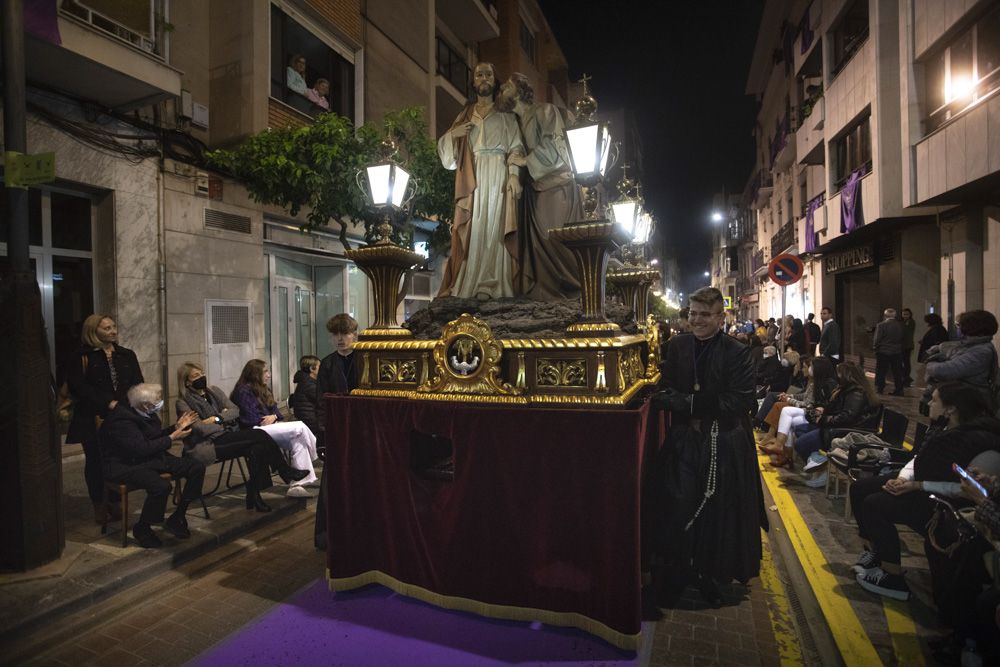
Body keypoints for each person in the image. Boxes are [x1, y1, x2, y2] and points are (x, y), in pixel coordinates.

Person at [651, 286, 766, 606]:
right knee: (678, 504)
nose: (697, 320)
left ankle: (711, 574)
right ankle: (677, 570)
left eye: (704, 315)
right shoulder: (677, 345)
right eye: (693, 314)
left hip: (723, 443)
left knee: (718, 514)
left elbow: (740, 400)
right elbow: (667, 385)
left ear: (720, 316)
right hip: (685, 442)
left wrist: (687, 402)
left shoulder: (736, 351)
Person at [849, 382, 1000, 602]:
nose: (929, 403)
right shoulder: (944, 429)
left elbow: (966, 490)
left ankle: (893, 577)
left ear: (951, 409)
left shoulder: (981, 442)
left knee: (875, 503)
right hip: (921, 484)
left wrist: (917, 486)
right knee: (860, 488)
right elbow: (918, 458)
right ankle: (876, 551)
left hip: (945, 503)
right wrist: (902, 479)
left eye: (935, 399)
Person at [437, 62, 525, 299]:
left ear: (494, 81)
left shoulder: (506, 115)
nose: (484, 78)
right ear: (473, 82)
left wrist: (514, 176)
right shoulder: (465, 115)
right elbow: (449, 161)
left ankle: (494, 284)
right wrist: (451, 135)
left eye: (488, 74)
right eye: (479, 75)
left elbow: (516, 147)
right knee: (475, 228)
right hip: (473, 178)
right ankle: (471, 283)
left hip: (499, 175)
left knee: (496, 228)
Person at [176, 362, 309, 513]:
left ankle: (255, 493)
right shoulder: (183, 403)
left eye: (202, 373)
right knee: (260, 435)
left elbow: (235, 410)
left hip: (227, 435)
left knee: (257, 447)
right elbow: (200, 429)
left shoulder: (213, 391)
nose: (201, 377)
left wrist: (217, 418)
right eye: (196, 376)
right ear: (187, 382)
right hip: (207, 444)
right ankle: (283, 471)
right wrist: (223, 422)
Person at [497, 72, 581, 300]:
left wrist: (526, 161)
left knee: (551, 240)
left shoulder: (545, 111)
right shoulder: (513, 123)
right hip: (533, 192)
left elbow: (555, 147)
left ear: (521, 89)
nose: (503, 88)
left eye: (508, 85)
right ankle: (541, 297)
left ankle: (565, 295)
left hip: (555, 187)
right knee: (534, 249)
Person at [99, 383, 205, 548]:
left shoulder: (146, 412)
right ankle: (143, 528)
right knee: (161, 486)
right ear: (145, 404)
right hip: (125, 464)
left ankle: (178, 516)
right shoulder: (122, 419)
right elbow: (140, 448)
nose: (160, 401)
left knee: (196, 467)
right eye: (158, 399)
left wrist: (175, 428)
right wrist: (172, 438)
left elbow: (153, 437)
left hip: (149, 457)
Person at [67, 314, 145, 523]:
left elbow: (137, 382)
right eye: (106, 328)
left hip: (121, 417)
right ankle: (99, 504)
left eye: (113, 326)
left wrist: (138, 403)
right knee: (95, 461)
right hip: (92, 416)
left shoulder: (126, 354)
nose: (113, 331)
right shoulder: (82, 356)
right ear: (93, 332)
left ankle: (115, 500)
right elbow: (78, 387)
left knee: (118, 458)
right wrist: (106, 402)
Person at [231, 360, 318, 498]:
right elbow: (251, 419)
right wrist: (269, 418)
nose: (269, 375)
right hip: (255, 431)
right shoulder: (243, 391)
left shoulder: (265, 389)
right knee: (300, 426)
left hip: (271, 426)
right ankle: (318, 452)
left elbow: (277, 413)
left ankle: (296, 486)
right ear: (255, 374)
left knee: (298, 440)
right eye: (265, 372)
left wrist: (272, 417)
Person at [773, 361, 881, 469]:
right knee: (799, 429)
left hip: (845, 431)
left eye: (839, 373)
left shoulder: (856, 393)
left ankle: (819, 463)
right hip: (836, 426)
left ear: (847, 375)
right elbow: (834, 409)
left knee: (800, 443)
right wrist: (822, 411)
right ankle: (813, 457)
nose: (837, 376)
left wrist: (823, 419)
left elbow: (847, 417)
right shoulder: (844, 390)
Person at [315, 314, 361, 550]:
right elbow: (321, 402)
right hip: (338, 431)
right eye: (335, 334)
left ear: (354, 333)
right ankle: (330, 535)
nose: (340, 339)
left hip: (363, 430)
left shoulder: (365, 358)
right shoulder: (327, 363)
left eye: (344, 333)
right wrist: (322, 437)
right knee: (333, 484)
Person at [921, 309, 999, 415]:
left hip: (970, 405)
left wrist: (931, 364)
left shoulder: (982, 351)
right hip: (959, 401)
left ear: (971, 327)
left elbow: (946, 370)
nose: (957, 328)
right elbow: (950, 352)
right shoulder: (969, 345)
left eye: (959, 325)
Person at [757, 356, 836, 452]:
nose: (805, 369)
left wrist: (789, 399)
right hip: (810, 412)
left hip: (813, 413)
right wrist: (789, 396)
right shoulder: (815, 382)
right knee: (788, 417)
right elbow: (804, 396)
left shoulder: (826, 385)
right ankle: (785, 455)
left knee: (784, 409)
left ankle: (776, 443)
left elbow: (809, 404)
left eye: (810, 366)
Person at [873, 308, 905, 395]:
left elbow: (877, 339)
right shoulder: (900, 325)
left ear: (885, 316)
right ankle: (899, 389)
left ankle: (880, 388)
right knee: (897, 371)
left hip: (883, 351)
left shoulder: (881, 325)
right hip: (896, 351)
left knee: (881, 371)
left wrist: (875, 347)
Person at [290, 355, 323, 443]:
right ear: (312, 369)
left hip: (312, 418)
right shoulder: (308, 384)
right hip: (311, 422)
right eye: (320, 366)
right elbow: (323, 401)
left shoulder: (308, 381)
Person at [900, 307, 916, 387]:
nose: (905, 316)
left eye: (906, 314)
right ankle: (907, 378)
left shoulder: (910, 322)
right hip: (903, 345)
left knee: (906, 363)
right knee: (902, 362)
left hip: (907, 345)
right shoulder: (903, 322)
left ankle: (906, 378)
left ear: (910, 315)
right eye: (904, 314)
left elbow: (906, 333)